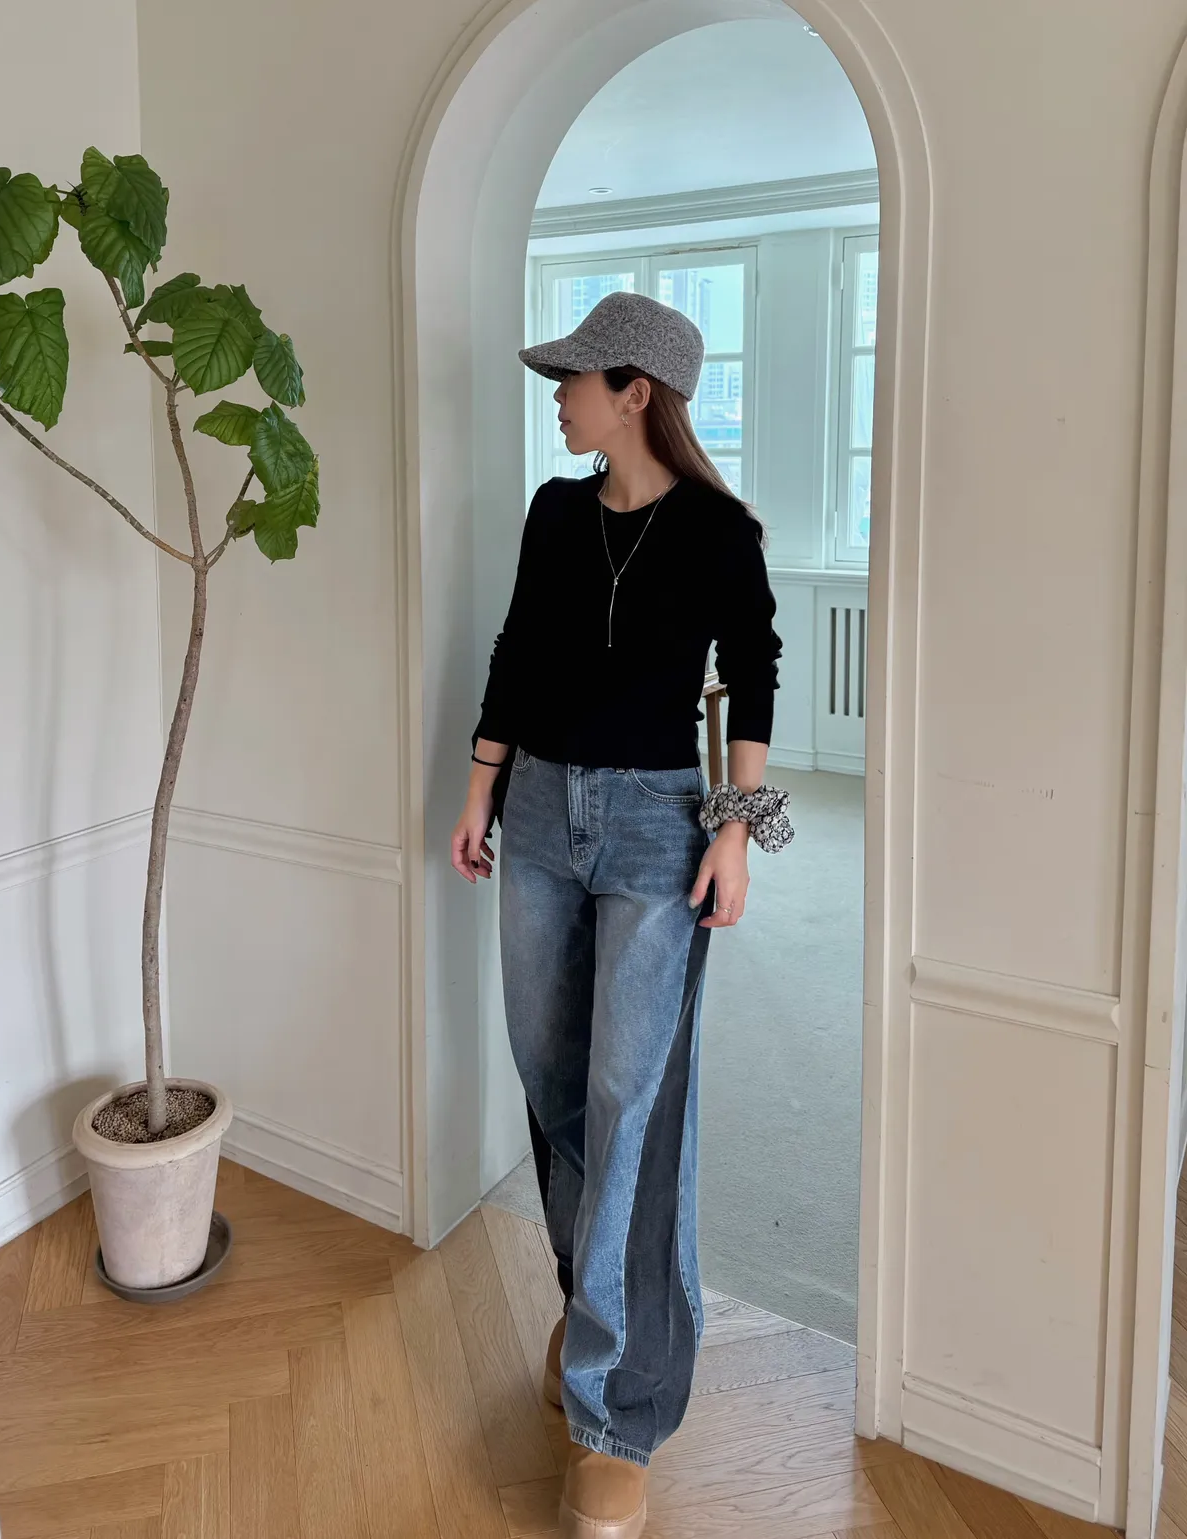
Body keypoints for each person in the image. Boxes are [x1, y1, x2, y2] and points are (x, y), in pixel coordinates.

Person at [450, 290, 792, 1539]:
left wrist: (736, 833)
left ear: (634, 393)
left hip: (657, 826)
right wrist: (481, 790)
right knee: (554, 1088)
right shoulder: (555, 512)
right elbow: (517, 651)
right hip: (539, 813)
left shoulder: (719, 531)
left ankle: (616, 1409)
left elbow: (754, 669)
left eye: (575, 379)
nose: (559, 397)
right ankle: (589, 1308)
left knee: (631, 1106)